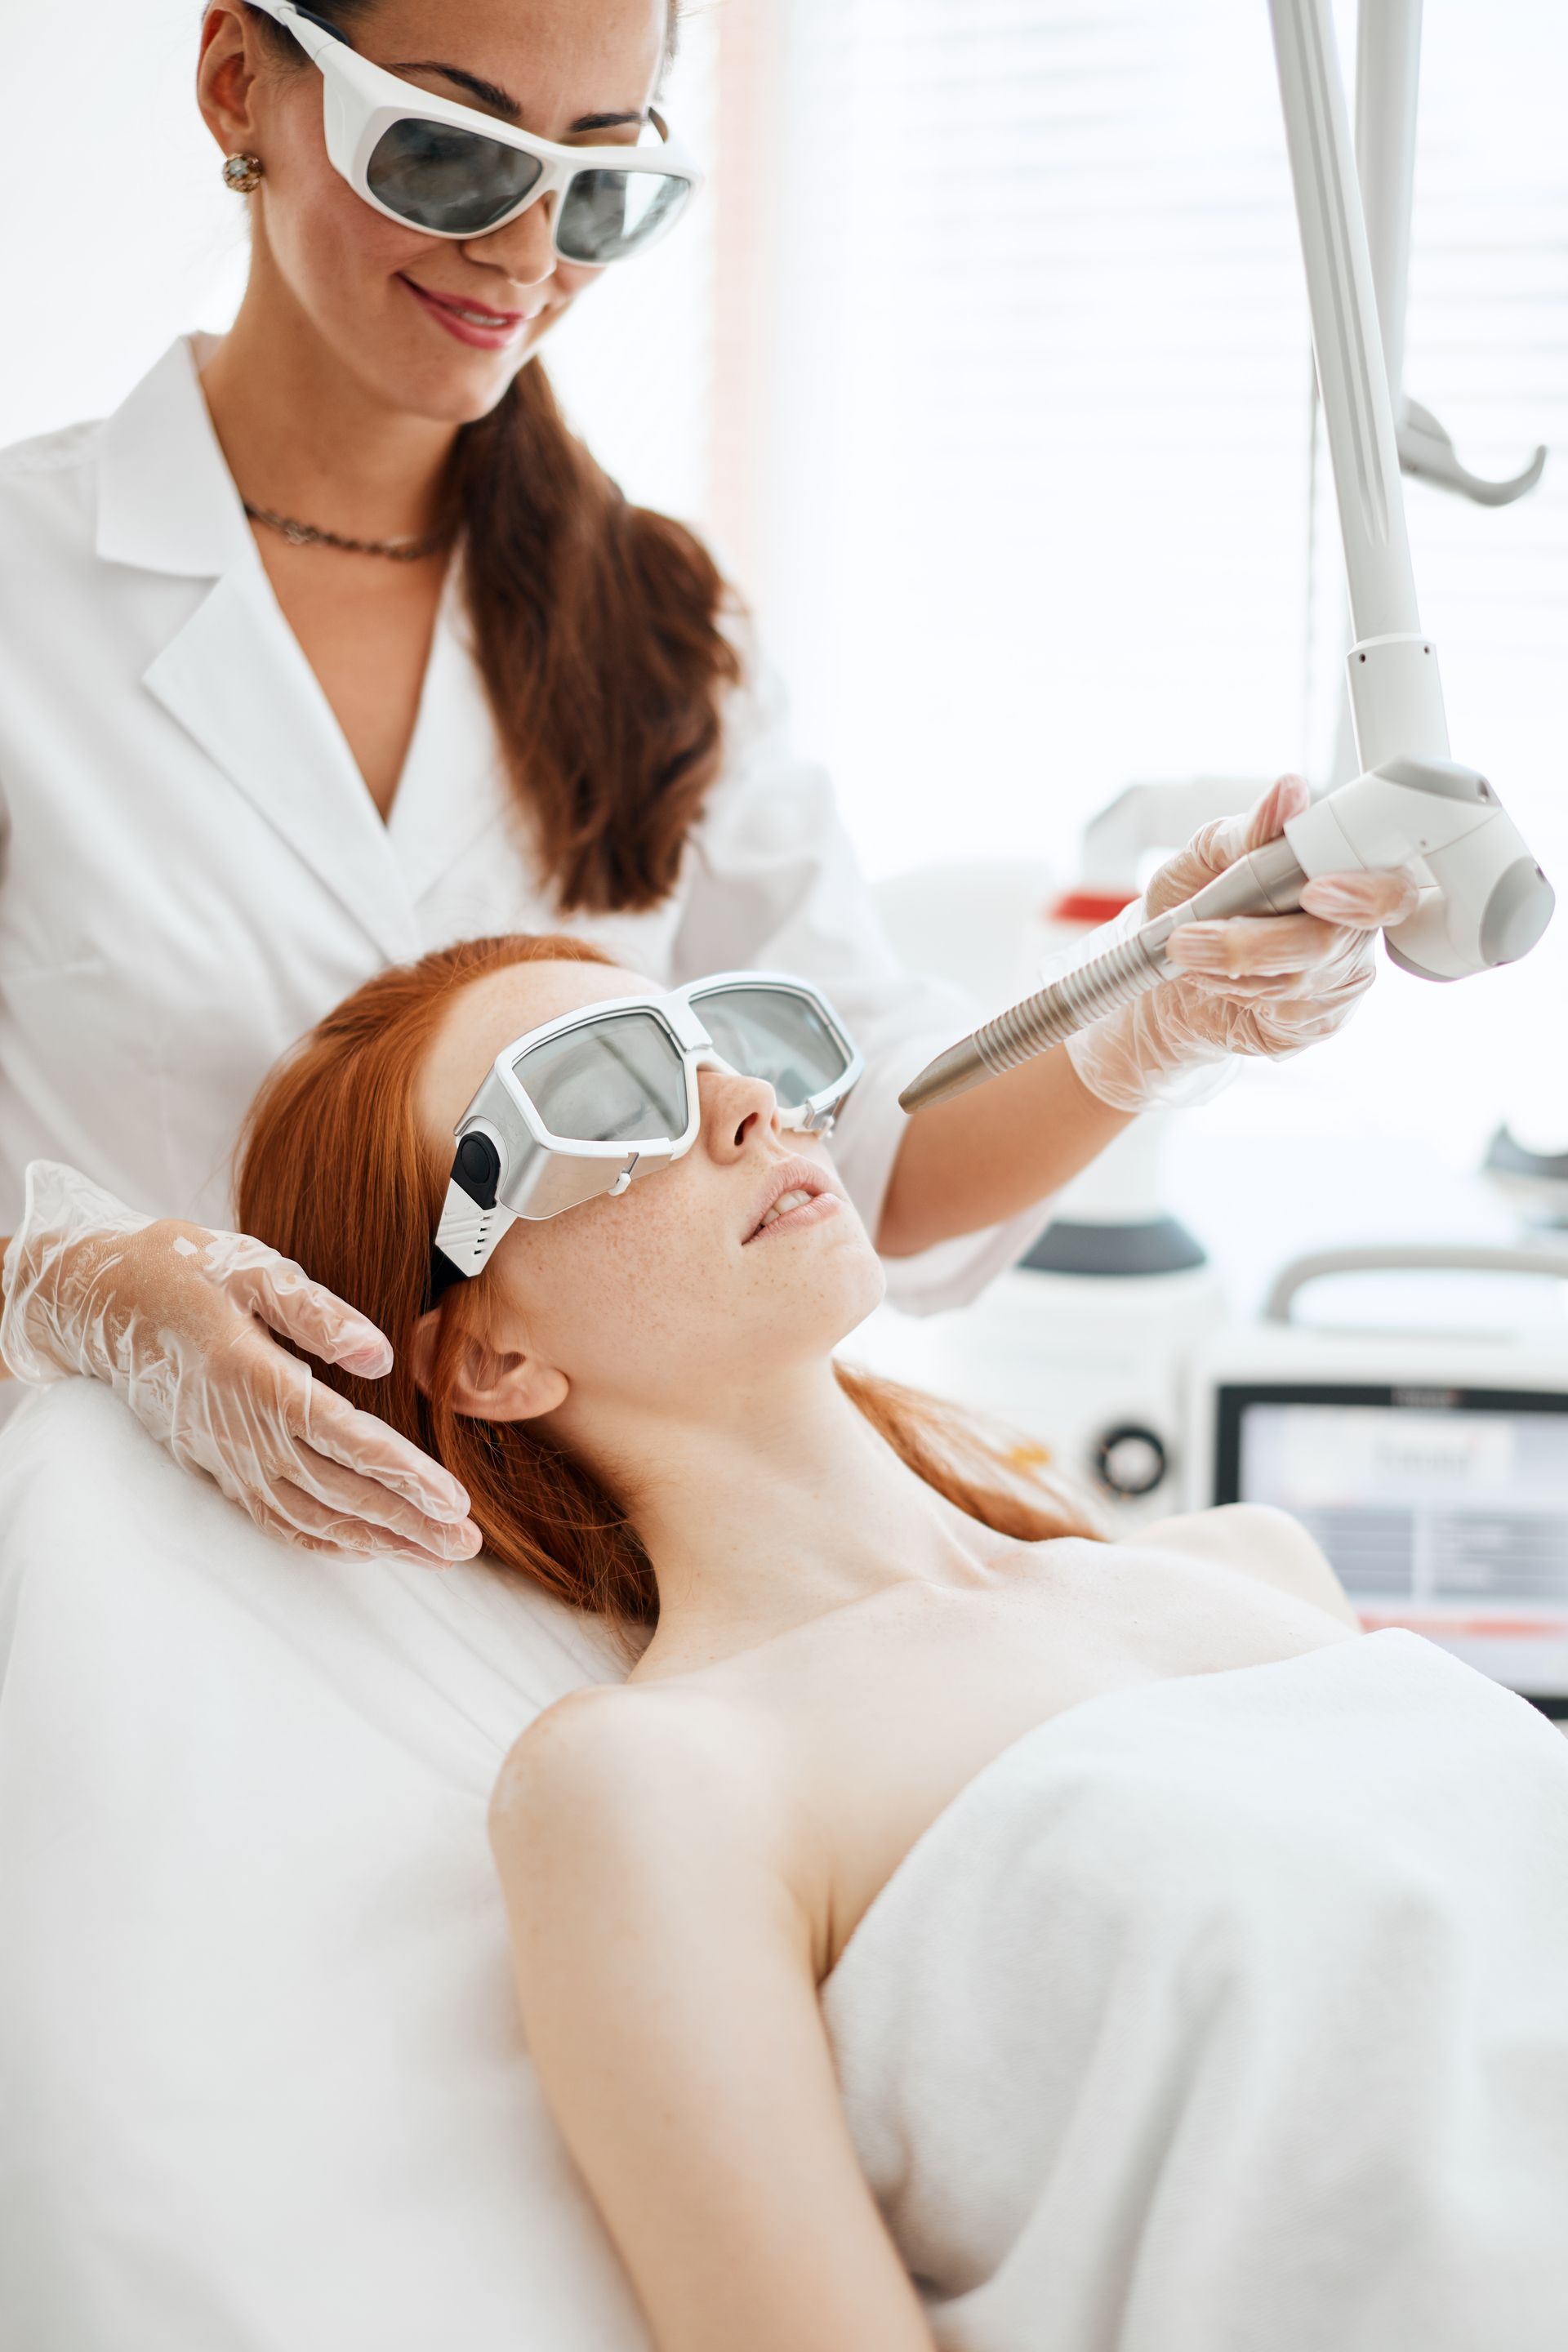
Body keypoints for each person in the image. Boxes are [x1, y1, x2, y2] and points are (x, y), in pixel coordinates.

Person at [0, 0, 1414, 1566]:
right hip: (130, 1587)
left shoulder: (662, 631)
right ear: (237, 88)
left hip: (578, 1601)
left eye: (600, 181)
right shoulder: (22, 596)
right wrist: (52, 1284)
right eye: (450, 151)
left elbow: (870, 1146)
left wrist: (1156, 1005)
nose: (530, 254)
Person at [223, 930, 1568, 2352]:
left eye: (722, 1045)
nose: (747, 1103)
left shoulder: (1254, 1564)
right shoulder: (653, 1780)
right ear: (486, 1356)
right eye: (607, 1102)